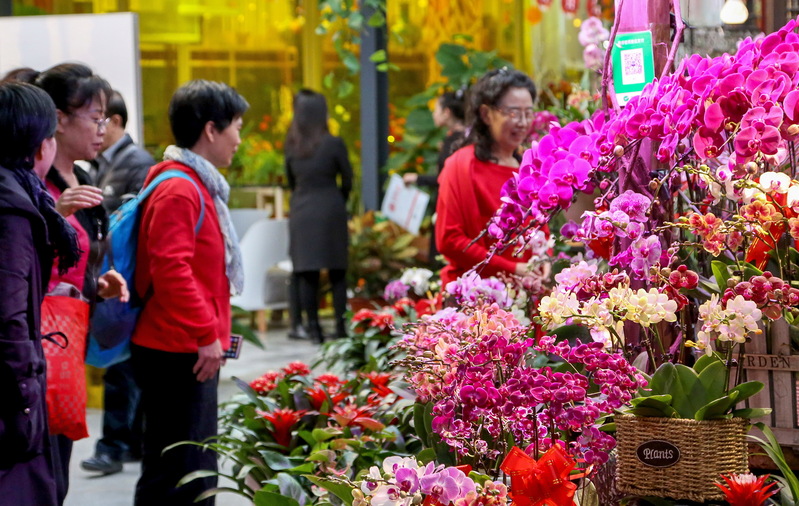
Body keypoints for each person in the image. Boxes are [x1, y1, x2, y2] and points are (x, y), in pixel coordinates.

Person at [132, 79, 247, 505]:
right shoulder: (180, 188)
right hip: (177, 349)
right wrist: (204, 334)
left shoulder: (194, 183)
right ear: (211, 130)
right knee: (184, 475)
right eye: (235, 126)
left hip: (185, 346)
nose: (239, 138)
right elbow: (171, 270)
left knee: (180, 468)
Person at [34, 62, 129, 505]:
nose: (103, 129)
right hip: (38, 335)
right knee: (40, 461)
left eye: (106, 118)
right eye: (95, 118)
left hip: (71, 330)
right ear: (58, 118)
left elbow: (80, 259)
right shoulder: (33, 181)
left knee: (60, 457)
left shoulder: (84, 177)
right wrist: (58, 216)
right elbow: (24, 261)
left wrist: (99, 281)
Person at [0, 81, 79, 506]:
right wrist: (27, 403)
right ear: (37, 145)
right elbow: (8, 318)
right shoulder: (12, 208)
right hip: (11, 399)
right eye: (51, 134)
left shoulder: (17, 195)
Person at [81, 90, 155, 476]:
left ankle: (113, 447)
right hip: (108, 279)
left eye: (99, 119)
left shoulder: (137, 163)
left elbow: (133, 227)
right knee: (122, 366)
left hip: (123, 283)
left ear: (116, 121)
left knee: (120, 369)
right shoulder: (100, 163)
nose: (95, 128)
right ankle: (127, 444)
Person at [436, 68, 537, 286]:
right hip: (477, 296)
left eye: (528, 113)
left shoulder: (528, 164)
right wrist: (512, 269)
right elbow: (449, 240)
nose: (522, 122)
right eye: (513, 113)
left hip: (527, 290)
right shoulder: (460, 165)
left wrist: (542, 260)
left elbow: (541, 227)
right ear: (486, 114)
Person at [284, 89, 353, 343]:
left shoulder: (292, 145)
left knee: (306, 273)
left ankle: (314, 330)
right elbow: (347, 179)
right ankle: (341, 327)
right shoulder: (333, 143)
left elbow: (290, 180)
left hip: (302, 210)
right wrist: (338, 200)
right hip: (331, 208)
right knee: (337, 272)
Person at [403, 89, 466, 267]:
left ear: (447, 113)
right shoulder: (459, 139)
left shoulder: (455, 142)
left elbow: (445, 178)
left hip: (450, 207)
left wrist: (418, 178)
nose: (433, 114)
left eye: (436, 109)